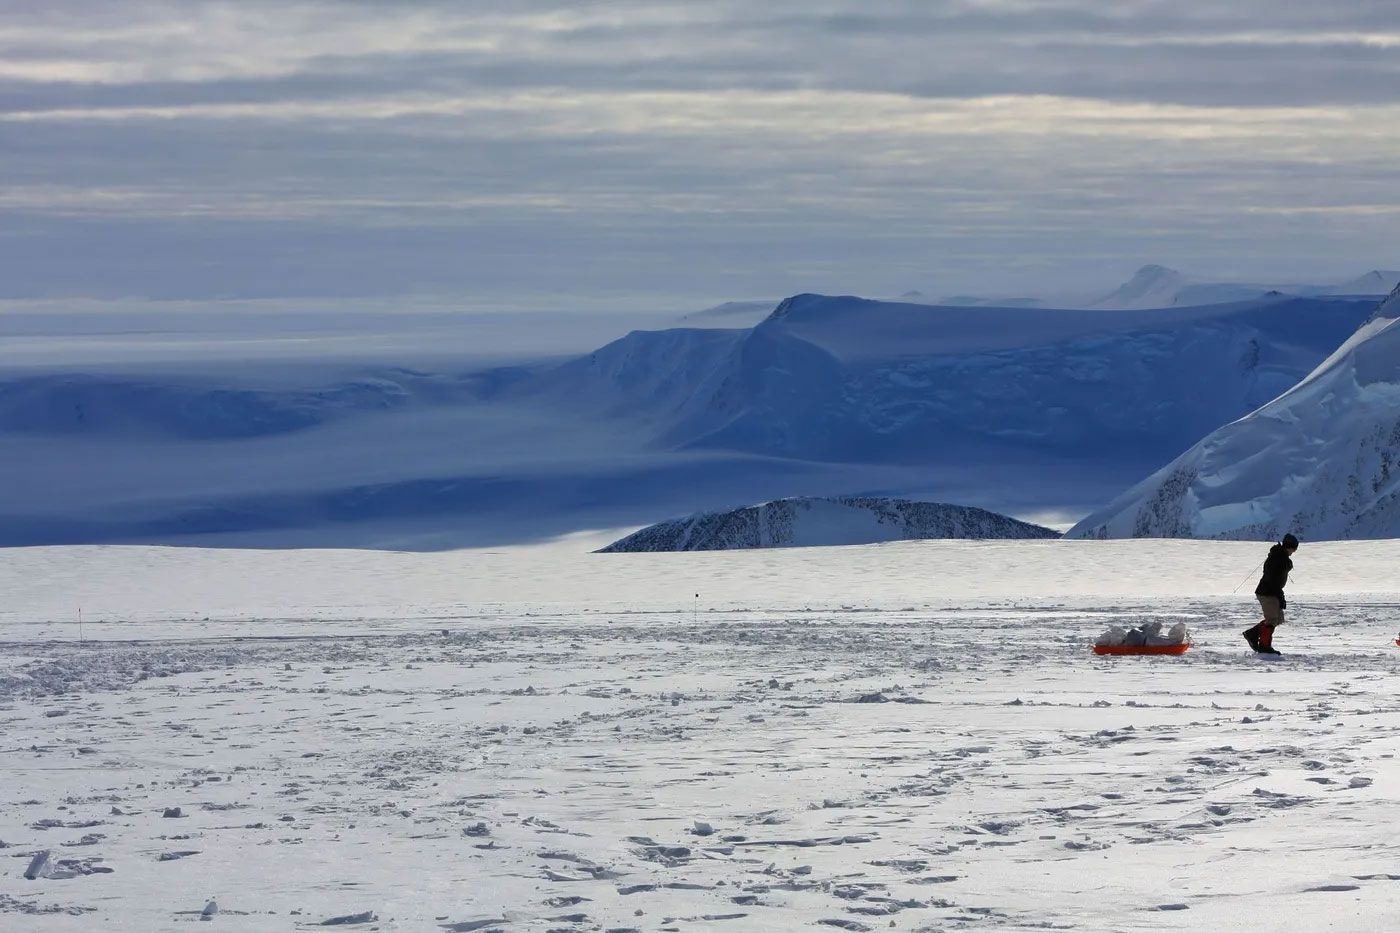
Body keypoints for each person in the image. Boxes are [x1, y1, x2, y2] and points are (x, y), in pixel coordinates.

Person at [1243, 533, 1298, 654]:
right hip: (1267, 592)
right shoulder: (1278, 559)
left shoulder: (1279, 557)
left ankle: (1253, 634)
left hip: (1270, 591)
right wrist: (1280, 596)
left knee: (1278, 619)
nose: (1293, 552)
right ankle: (1264, 646)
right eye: (1293, 549)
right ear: (1289, 547)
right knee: (1272, 619)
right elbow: (1273, 580)